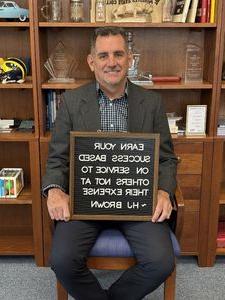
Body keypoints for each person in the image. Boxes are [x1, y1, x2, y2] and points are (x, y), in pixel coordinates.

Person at [42, 26, 177, 300]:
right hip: (85, 203)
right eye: (103, 55)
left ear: (130, 59)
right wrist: (55, 191)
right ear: (92, 62)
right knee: (62, 260)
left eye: (118, 54)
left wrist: (164, 191)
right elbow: (57, 158)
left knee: (161, 262)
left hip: (138, 203)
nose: (111, 62)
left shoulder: (151, 103)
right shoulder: (71, 102)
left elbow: (166, 158)